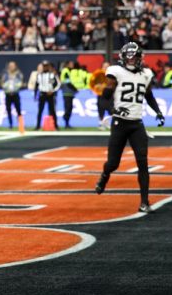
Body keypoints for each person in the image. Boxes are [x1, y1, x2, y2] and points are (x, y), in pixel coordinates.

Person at [95, 43, 164, 213]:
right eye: (130, 57)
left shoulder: (146, 74)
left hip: (136, 123)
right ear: (123, 57)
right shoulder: (116, 72)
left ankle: (144, 202)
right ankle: (104, 176)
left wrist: (158, 111)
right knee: (113, 164)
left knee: (143, 162)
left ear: (140, 57)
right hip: (119, 123)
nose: (132, 60)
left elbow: (149, 96)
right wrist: (114, 109)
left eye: (135, 57)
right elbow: (103, 98)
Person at [34, 60, 61, 130]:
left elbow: (57, 84)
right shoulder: (39, 75)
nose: (45, 67)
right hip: (42, 94)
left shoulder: (52, 75)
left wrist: (52, 91)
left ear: (48, 66)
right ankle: (37, 126)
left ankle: (56, 125)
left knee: (52, 110)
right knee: (40, 110)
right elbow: (36, 85)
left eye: (46, 66)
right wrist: (35, 95)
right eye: (44, 66)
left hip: (50, 94)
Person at [0, 61, 23, 129]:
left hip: (15, 94)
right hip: (8, 94)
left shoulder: (18, 74)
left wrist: (16, 87)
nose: (11, 67)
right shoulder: (5, 74)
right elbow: (1, 82)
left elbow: (20, 82)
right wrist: (5, 87)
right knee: (8, 110)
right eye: (10, 66)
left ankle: (21, 125)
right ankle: (10, 124)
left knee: (18, 110)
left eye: (13, 66)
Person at [60, 60, 78, 129]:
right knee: (68, 108)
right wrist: (75, 89)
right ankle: (66, 122)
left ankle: (67, 122)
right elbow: (68, 82)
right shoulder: (66, 71)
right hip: (67, 92)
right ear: (67, 65)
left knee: (69, 108)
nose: (72, 65)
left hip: (69, 93)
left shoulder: (69, 71)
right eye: (71, 64)